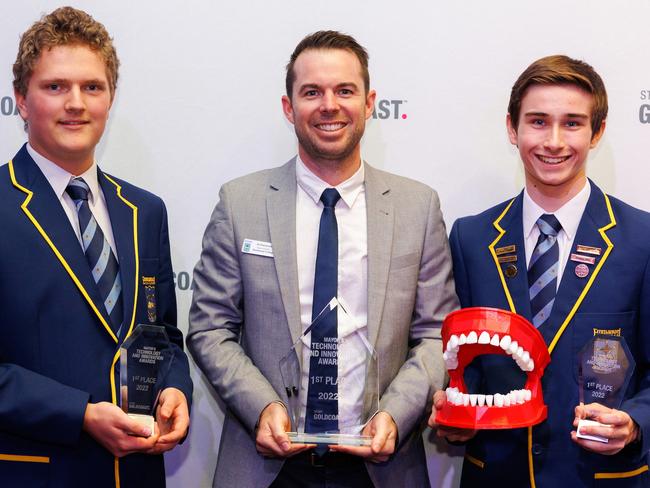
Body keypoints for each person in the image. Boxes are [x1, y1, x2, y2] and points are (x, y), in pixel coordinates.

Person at [188, 30, 458, 487]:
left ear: (370, 103)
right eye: (312, 92)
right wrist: (263, 406)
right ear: (289, 107)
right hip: (268, 469)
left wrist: (395, 413)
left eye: (344, 91)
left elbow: (437, 335)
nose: (329, 105)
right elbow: (211, 327)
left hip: (381, 469)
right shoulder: (241, 203)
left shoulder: (418, 207)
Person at [429, 55, 650, 487]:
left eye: (572, 123)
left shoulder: (641, 240)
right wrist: (454, 409)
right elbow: (464, 363)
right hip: (495, 475)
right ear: (512, 129)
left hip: (601, 478)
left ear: (597, 132)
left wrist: (636, 422)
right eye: (537, 121)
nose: (553, 141)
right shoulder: (471, 238)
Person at [0, 7, 192, 487]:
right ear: (21, 100)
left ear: (110, 98)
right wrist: (79, 414)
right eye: (55, 87)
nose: (76, 104)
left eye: (92, 87)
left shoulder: (145, 211)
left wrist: (176, 388)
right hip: (38, 473)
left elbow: (164, 334)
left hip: (139, 474)